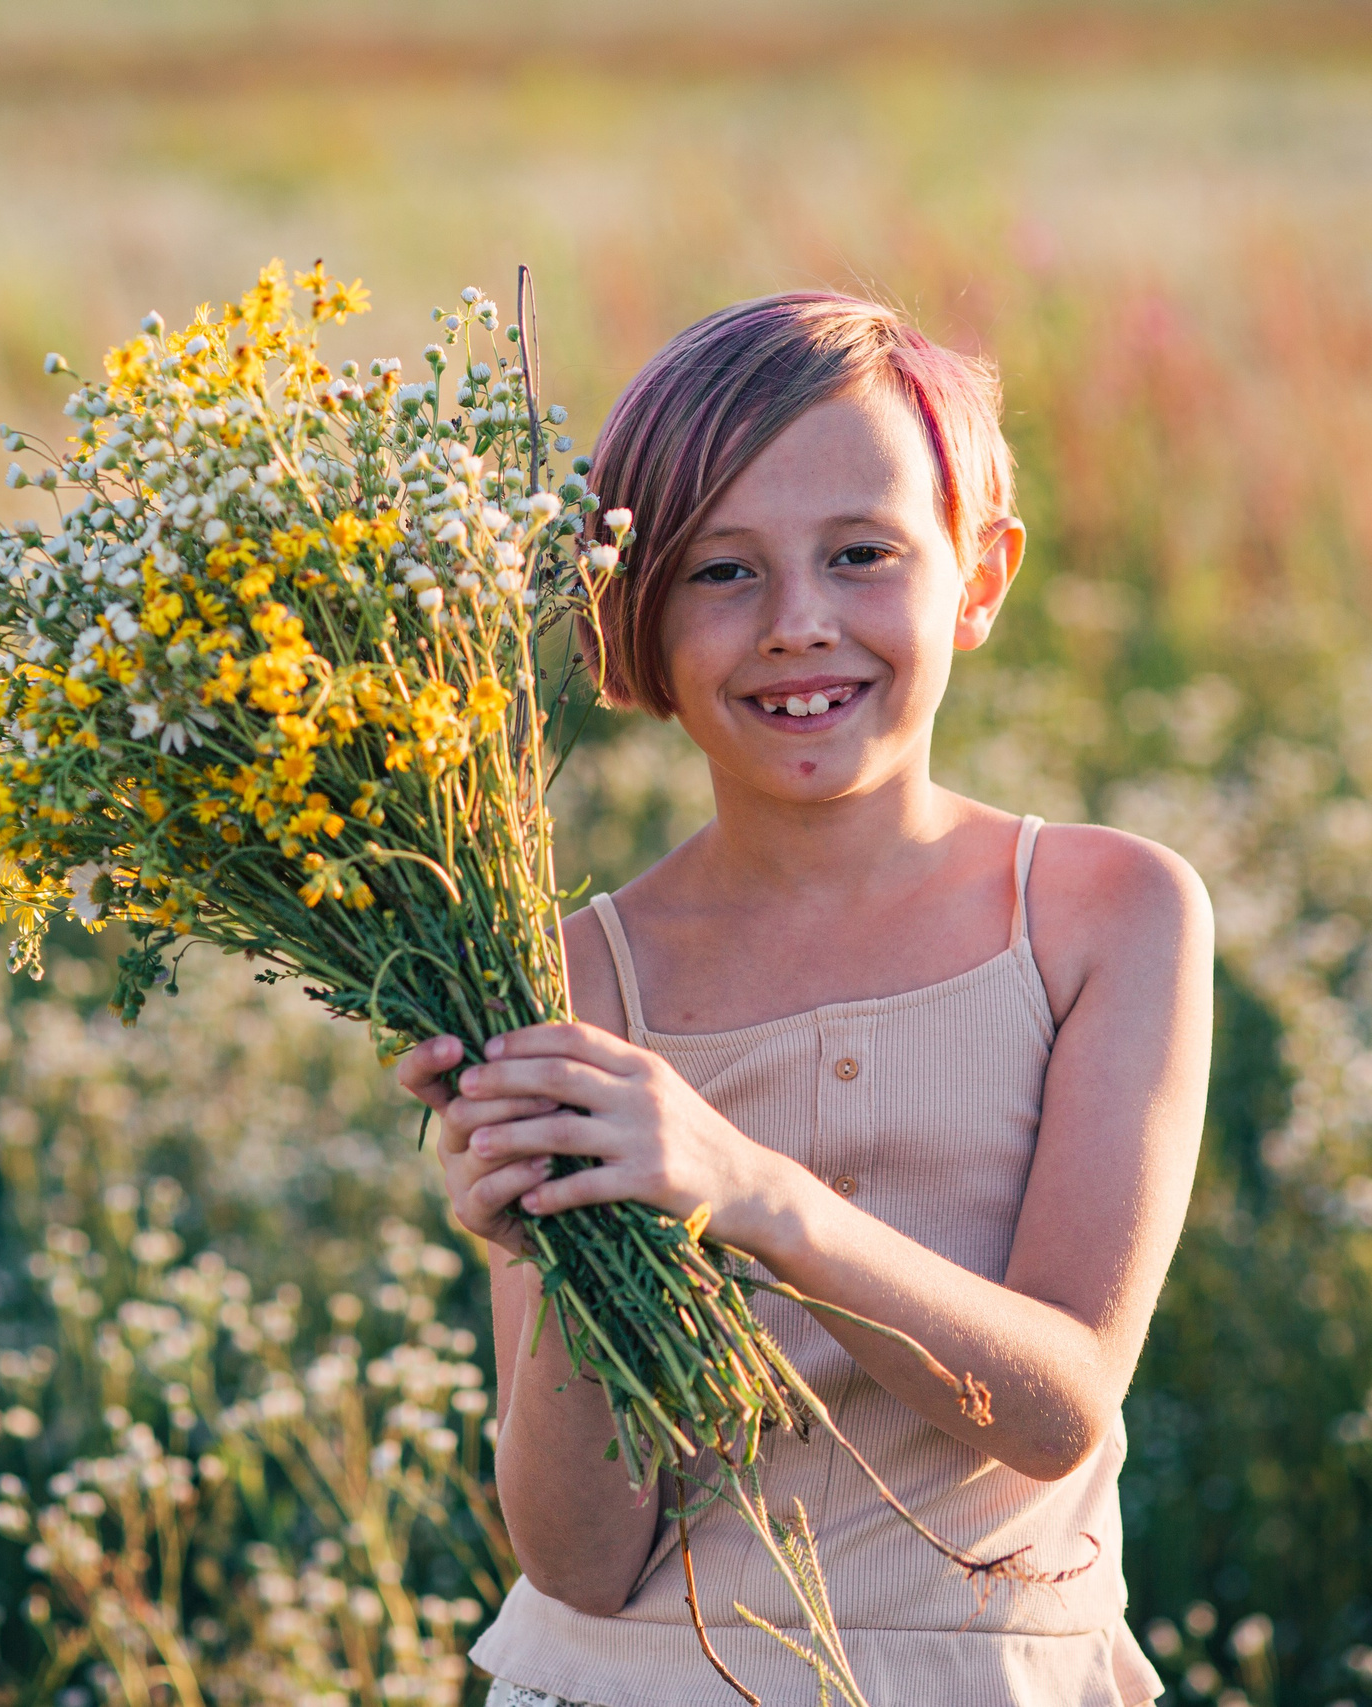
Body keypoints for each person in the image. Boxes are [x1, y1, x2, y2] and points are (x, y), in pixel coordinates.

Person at [395, 293, 1212, 1706]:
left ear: (981, 573)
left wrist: (746, 1191)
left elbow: (1059, 1408)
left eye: (862, 554)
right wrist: (583, 1247)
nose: (797, 625)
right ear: (624, 614)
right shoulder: (573, 981)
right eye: (720, 571)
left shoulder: (1105, 915)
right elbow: (577, 1562)